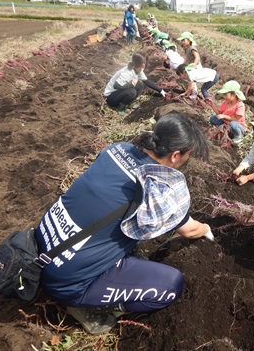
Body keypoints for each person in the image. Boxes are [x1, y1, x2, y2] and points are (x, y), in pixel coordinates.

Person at [35, 112, 213, 335]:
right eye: (187, 155)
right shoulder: (157, 190)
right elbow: (190, 230)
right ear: (175, 155)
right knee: (172, 285)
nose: (186, 160)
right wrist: (207, 229)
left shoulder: (116, 149)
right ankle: (86, 306)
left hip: (42, 246)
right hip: (67, 282)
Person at [206, 80, 247, 144]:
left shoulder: (240, 105)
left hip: (237, 126)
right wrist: (212, 105)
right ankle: (225, 130)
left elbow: (237, 119)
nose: (224, 97)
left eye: (226, 94)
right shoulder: (225, 103)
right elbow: (219, 113)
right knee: (213, 118)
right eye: (224, 94)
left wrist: (224, 116)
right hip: (226, 123)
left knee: (233, 124)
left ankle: (238, 136)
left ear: (233, 95)